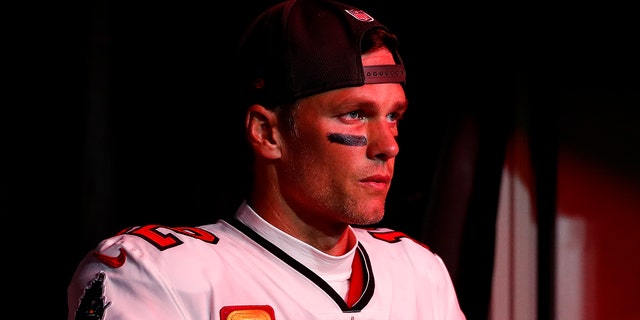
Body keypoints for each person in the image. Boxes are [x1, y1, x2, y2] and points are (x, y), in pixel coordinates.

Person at [67, 0, 466, 319]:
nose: (388, 146)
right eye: (355, 114)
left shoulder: (418, 272)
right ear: (267, 133)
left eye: (393, 116)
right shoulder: (157, 274)